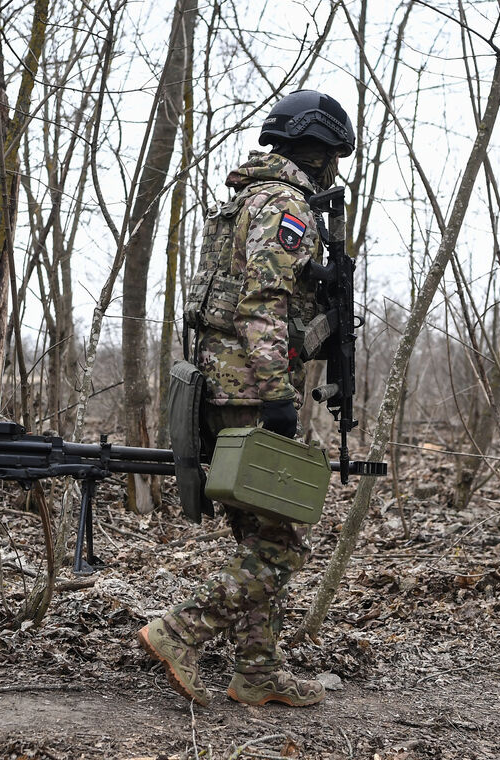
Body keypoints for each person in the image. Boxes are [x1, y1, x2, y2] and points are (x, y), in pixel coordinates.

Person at [139, 90, 355, 708]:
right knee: (281, 542)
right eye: (332, 155)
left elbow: (249, 305)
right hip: (249, 391)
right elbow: (262, 306)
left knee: (257, 535)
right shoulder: (286, 205)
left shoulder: (242, 202)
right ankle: (181, 630)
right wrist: (277, 396)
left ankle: (257, 672)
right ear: (318, 154)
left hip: (220, 384)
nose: (333, 167)